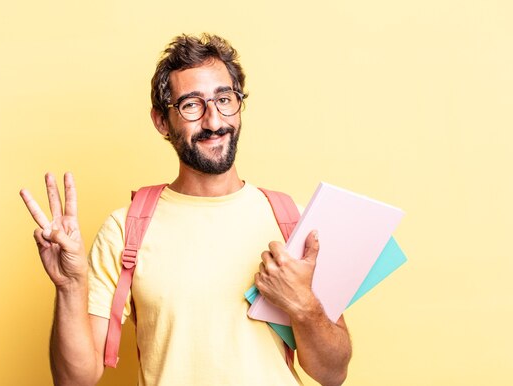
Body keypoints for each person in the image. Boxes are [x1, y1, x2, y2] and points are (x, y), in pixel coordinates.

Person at [20, 33, 352, 386]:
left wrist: (303, 304)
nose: (213, 121)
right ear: (162, 121)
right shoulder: (125, 229)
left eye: (224, 99)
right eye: (192, 105)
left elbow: (332, 373)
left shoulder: (295, 223)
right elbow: (75, 381)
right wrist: (70, 286)